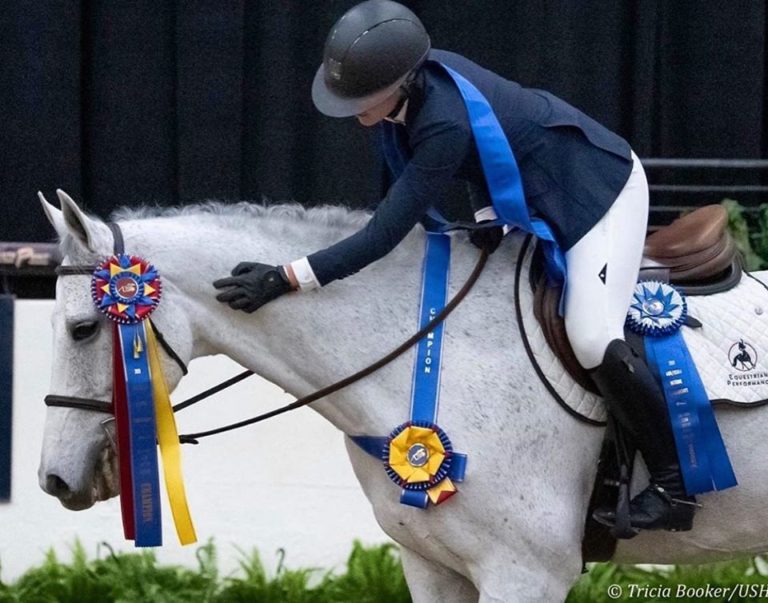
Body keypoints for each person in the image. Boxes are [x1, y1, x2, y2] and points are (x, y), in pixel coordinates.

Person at [213, 0, 697, 535]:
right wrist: (490, 213)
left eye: (361, 99)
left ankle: (676, 485)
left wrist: (286, 277)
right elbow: (491, 151)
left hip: (597, 194)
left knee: (589, 335)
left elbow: (384, 234)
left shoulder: (441, 120)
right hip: (542, 189)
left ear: (399, 83)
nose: (352, 111)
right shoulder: (422, 85)